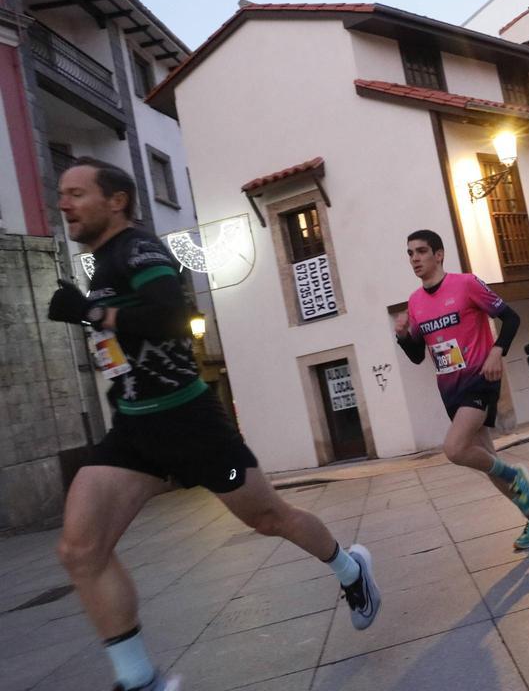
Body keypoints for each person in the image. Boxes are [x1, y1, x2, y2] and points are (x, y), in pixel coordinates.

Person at [49, 159, 381, 691]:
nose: (64, 203)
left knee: (271, 518)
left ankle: (350, 569)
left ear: (116, 201)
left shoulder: (140, 249)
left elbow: (170, 318)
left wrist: (92, 315)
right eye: (61, 194)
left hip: (189, 421)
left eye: (76, 193)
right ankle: (140, 680)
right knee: (80, 550)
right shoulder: (104, 260)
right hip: (135, 429)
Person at [394, 230, 529, 549]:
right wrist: (403, 336)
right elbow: (417, 355)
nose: (415, 259)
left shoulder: (466, 284)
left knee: (454, 449)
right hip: (450, 389)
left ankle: (516, 476)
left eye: (421, 251)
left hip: (480, 378)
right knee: (487, 462)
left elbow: (512, 319)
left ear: (439, 254)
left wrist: (497, 351)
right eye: (410, 253)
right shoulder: (415, 301)